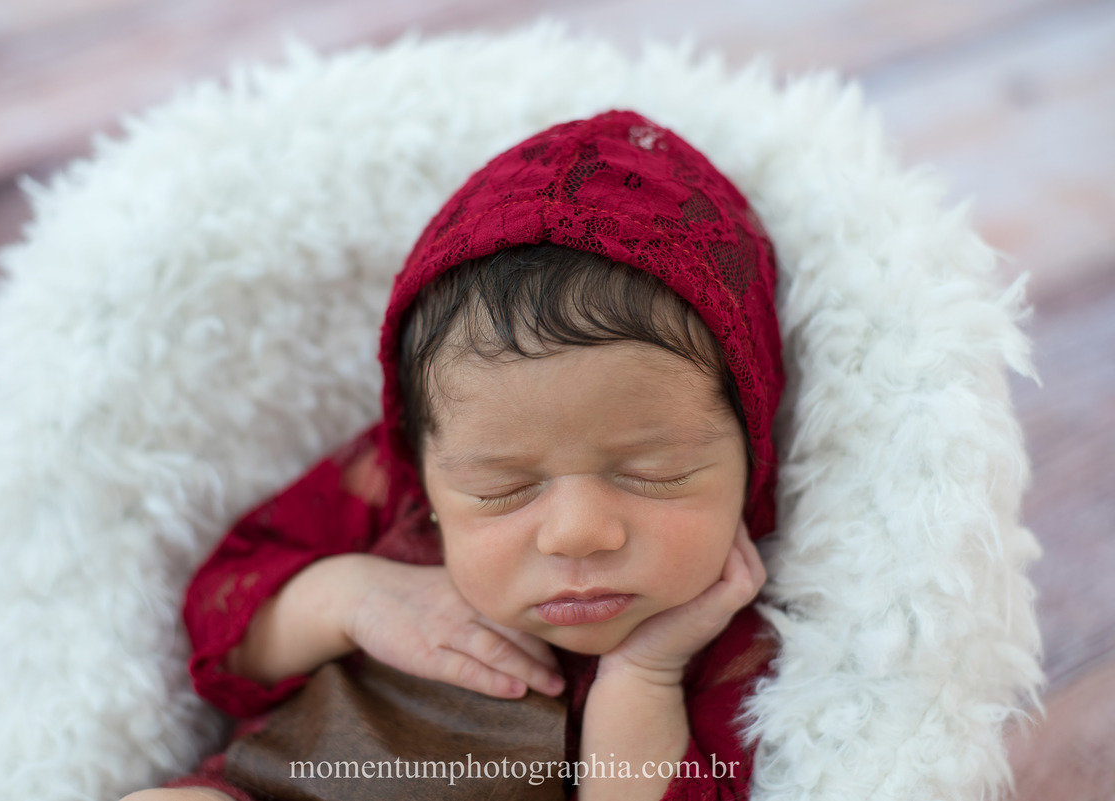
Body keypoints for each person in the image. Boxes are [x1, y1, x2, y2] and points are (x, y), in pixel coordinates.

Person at [123, 109, 785, 801]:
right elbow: (220, 625)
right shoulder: (386, 491)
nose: (577, 531)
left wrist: (643, 676)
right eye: (502, 487)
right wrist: (349, 597)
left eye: (655, 473)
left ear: (752, 449)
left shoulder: (730, 649)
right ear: (424, 469)